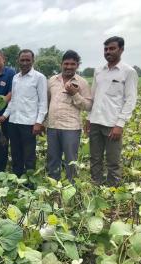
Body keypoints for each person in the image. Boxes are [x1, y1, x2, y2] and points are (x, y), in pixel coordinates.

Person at [86, 36, 138, 186]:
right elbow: (93, 96)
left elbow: (130, 100)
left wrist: (120, 124)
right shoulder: (99, 71)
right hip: (95, 121)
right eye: (106, 49)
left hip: (112, 123)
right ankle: (95, 184)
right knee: (95, 158)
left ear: (121, 50)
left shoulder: (128, 72)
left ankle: (112, 189)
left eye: (112, 48)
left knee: (113, 160)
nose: (108, 52)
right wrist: (89, 118)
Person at [0, 49, 47, 178]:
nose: (24, 63)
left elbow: (43, 103)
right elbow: (12, 100)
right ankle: (17, 178)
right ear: (18, 61)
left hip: (29, 123)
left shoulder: (39, 78)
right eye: (22, 60)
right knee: (15, 153)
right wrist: (4, 116)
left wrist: (38, 122)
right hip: (14, 121)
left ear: (33, 61)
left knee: (29, 154)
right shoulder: (15, 78)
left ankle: (30, 180)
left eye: (27, 60)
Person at [46, 50, 92, 182]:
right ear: (61, 64)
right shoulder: (52, 80)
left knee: (71, 160)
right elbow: (48, 101)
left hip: (71, 127)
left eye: (73, 64)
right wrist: (44, 122)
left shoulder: (82, 82)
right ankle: (53, 185)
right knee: (53, 158)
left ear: (77, 65)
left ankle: (72, 186)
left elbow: (88, 105)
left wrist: (74, 94)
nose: (69, 67)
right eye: (66, 63)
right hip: (53, 126)